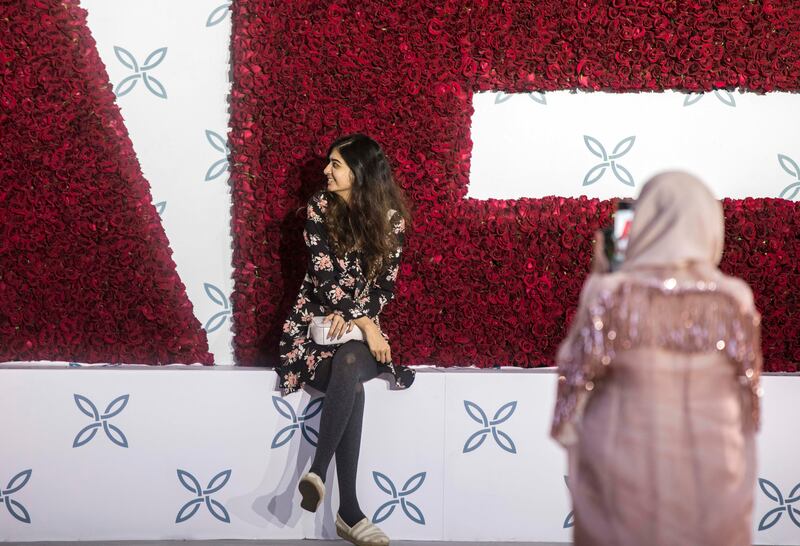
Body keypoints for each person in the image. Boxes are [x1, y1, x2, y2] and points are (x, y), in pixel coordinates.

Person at [551, 172, 763, 546]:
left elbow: (575, 378)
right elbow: (750, 395)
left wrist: (599, 277)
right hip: (713, 469)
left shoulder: (610, 293)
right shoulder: (733, 298)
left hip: (623, 467)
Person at [278, 134, 414, 546]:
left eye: (335, 164)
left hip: (355, 335)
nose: (326, 171)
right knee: (351, 382)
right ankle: (349, 513)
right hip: (315, 328)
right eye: (328, 163)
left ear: (359, 171)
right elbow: (322, 275)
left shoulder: (392, 220)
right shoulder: (320, 207)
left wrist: (361, 321)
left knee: (352, 363)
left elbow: (383, 288)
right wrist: (367, 325)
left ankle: (317, 472)